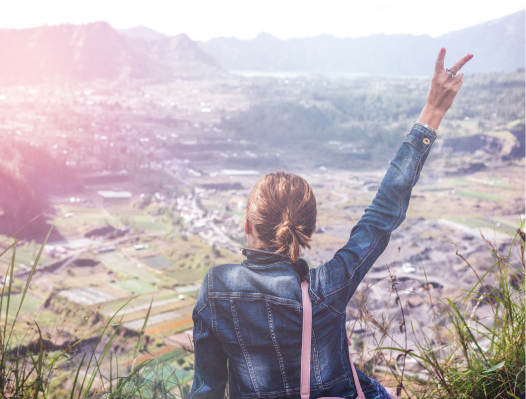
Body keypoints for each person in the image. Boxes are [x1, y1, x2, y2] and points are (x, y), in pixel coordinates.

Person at [189, 48, 473, 399]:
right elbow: (382, 214)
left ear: (248, 225)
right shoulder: (328, 287)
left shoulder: (216, 288)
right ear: (307, 230)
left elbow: (207, 389)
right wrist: (433, 111)